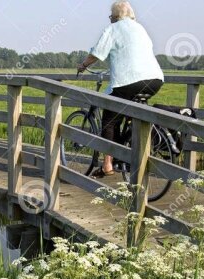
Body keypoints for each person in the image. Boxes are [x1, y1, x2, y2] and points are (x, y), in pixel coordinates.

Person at [77, 1, 164, 178]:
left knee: (110, 119)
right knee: (134, 113)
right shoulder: (140, 28)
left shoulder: (114, 29)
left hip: (129, 81)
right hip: (155, 79)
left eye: (111, 17)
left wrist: (83, 65)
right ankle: (134, 148)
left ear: (115, 16)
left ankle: (108, 164)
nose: (110, 20)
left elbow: (98, 53)